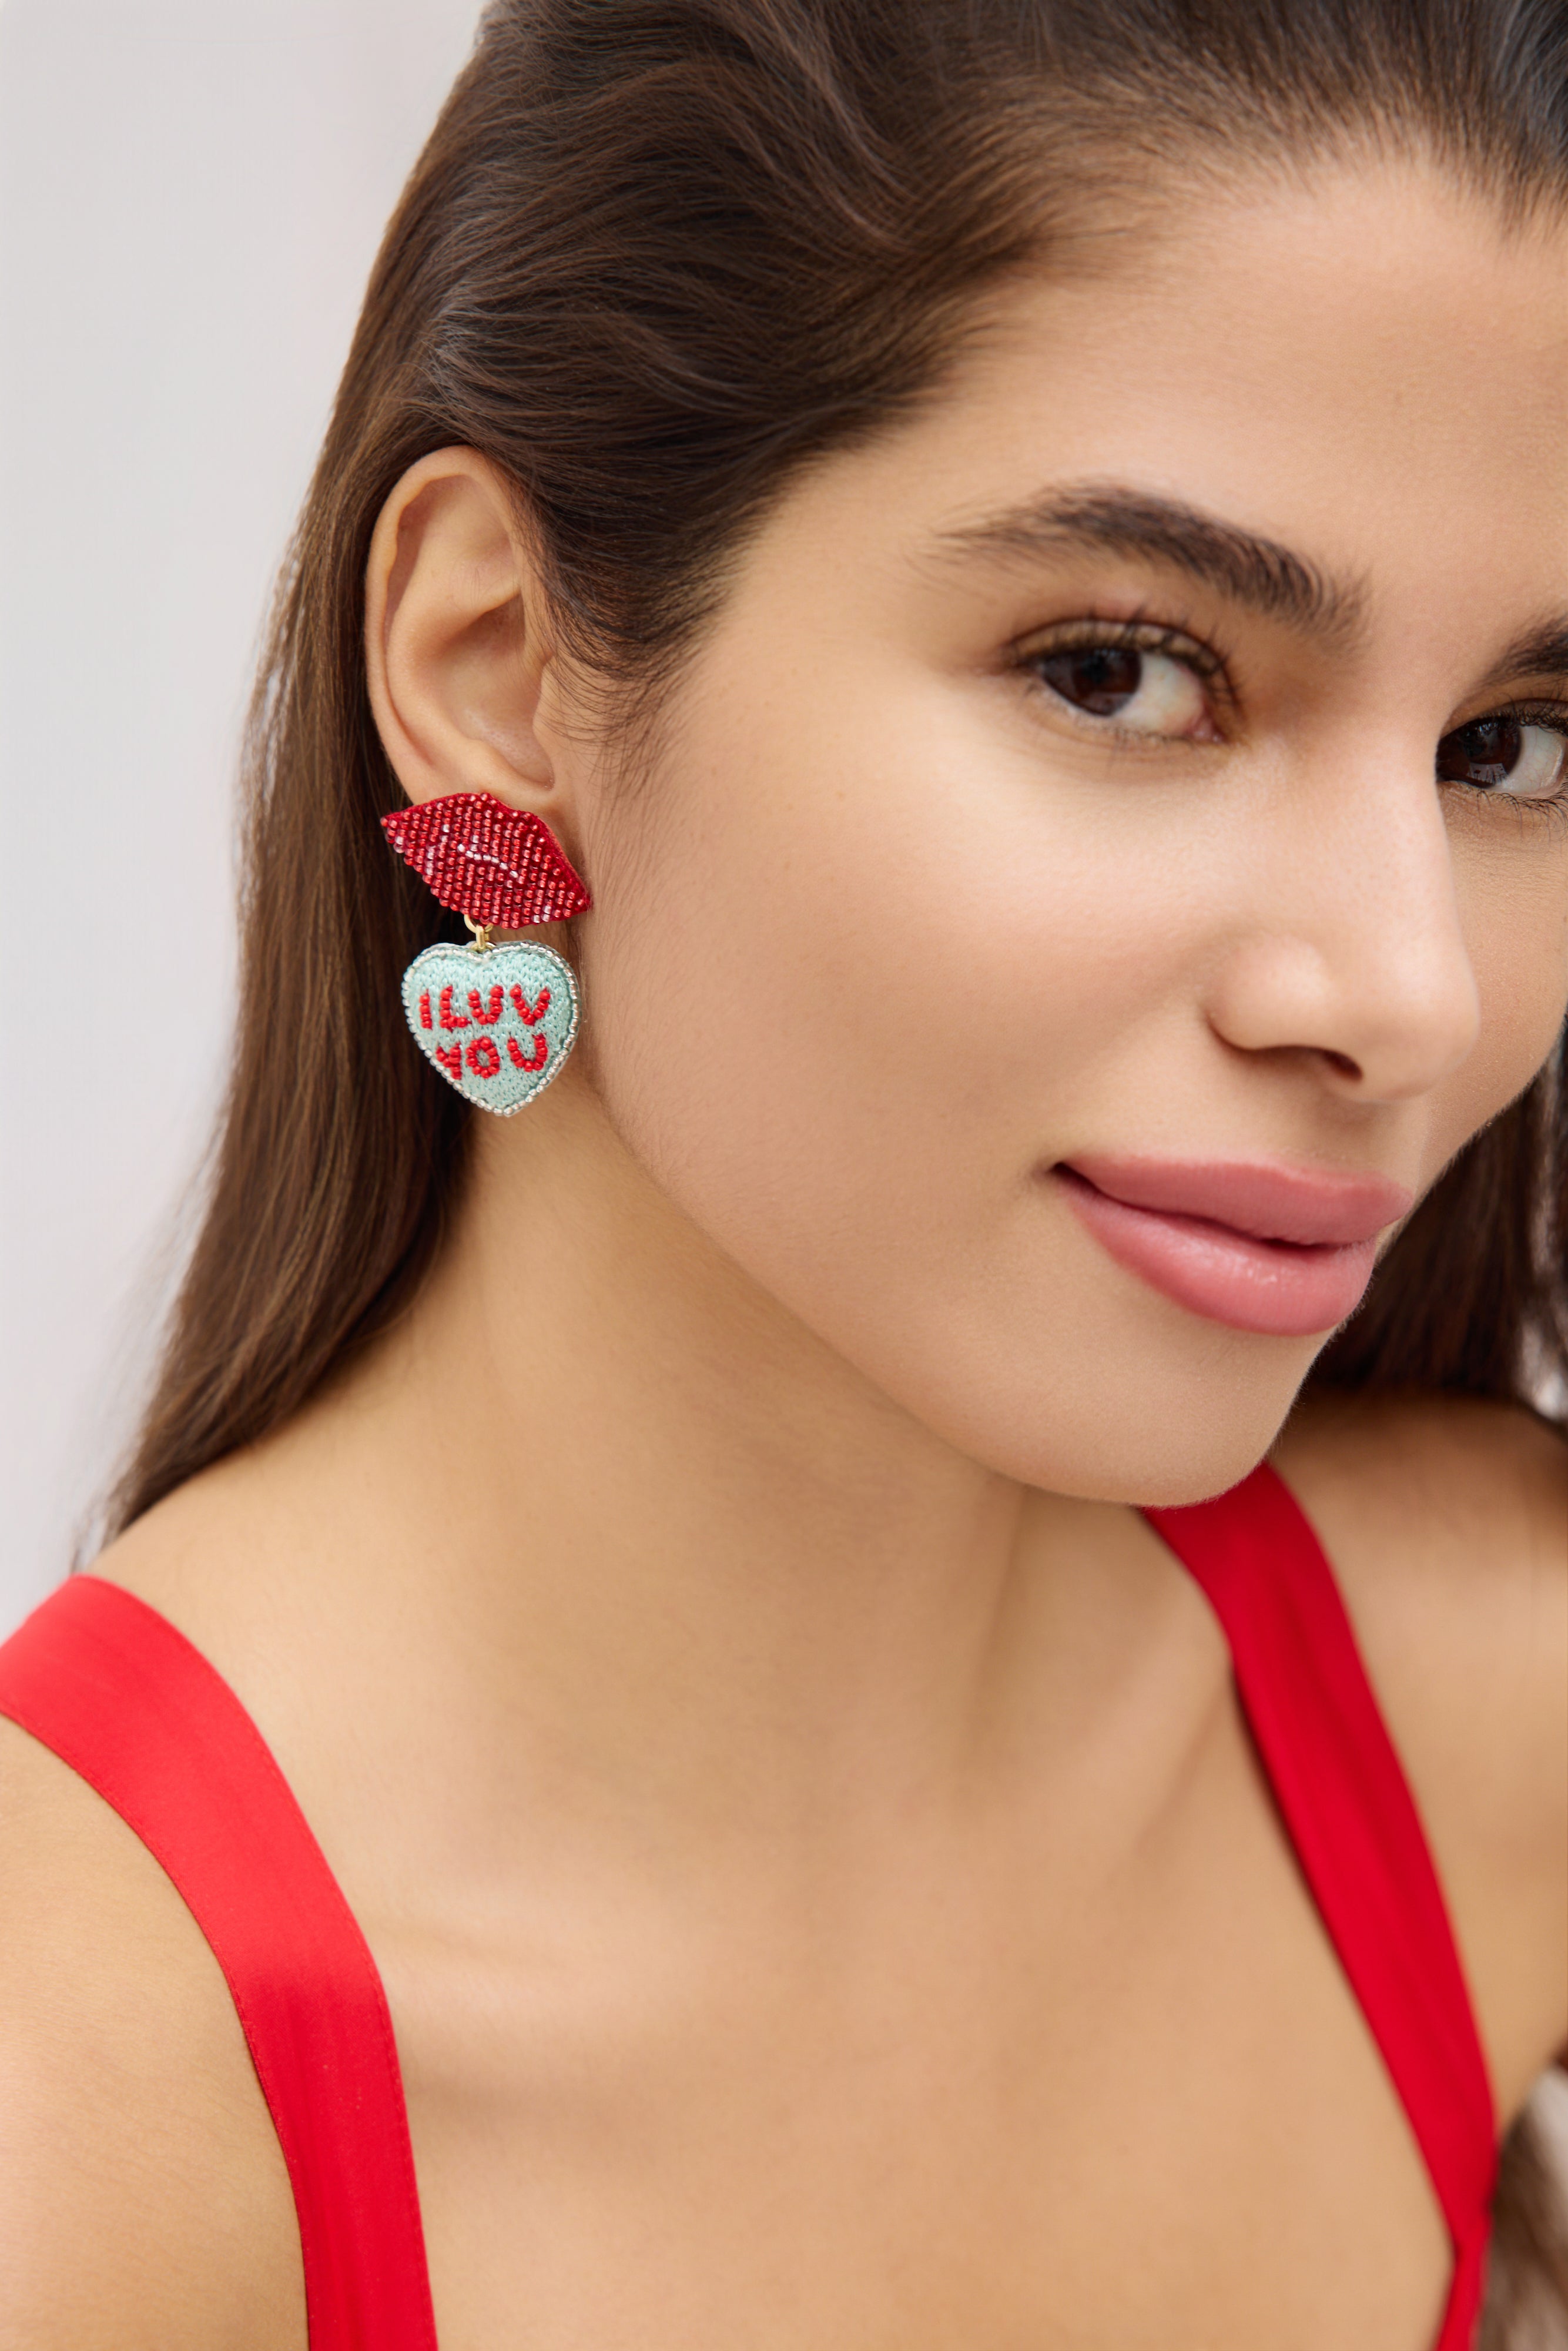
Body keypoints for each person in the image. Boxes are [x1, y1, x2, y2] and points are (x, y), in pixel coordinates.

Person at [1, 0, 1565, 2343]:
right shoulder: (89, 2085)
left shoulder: (1490, 1693)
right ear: (497, 662)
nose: (1406, 989)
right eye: (1127, 673)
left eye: (1511, 741)